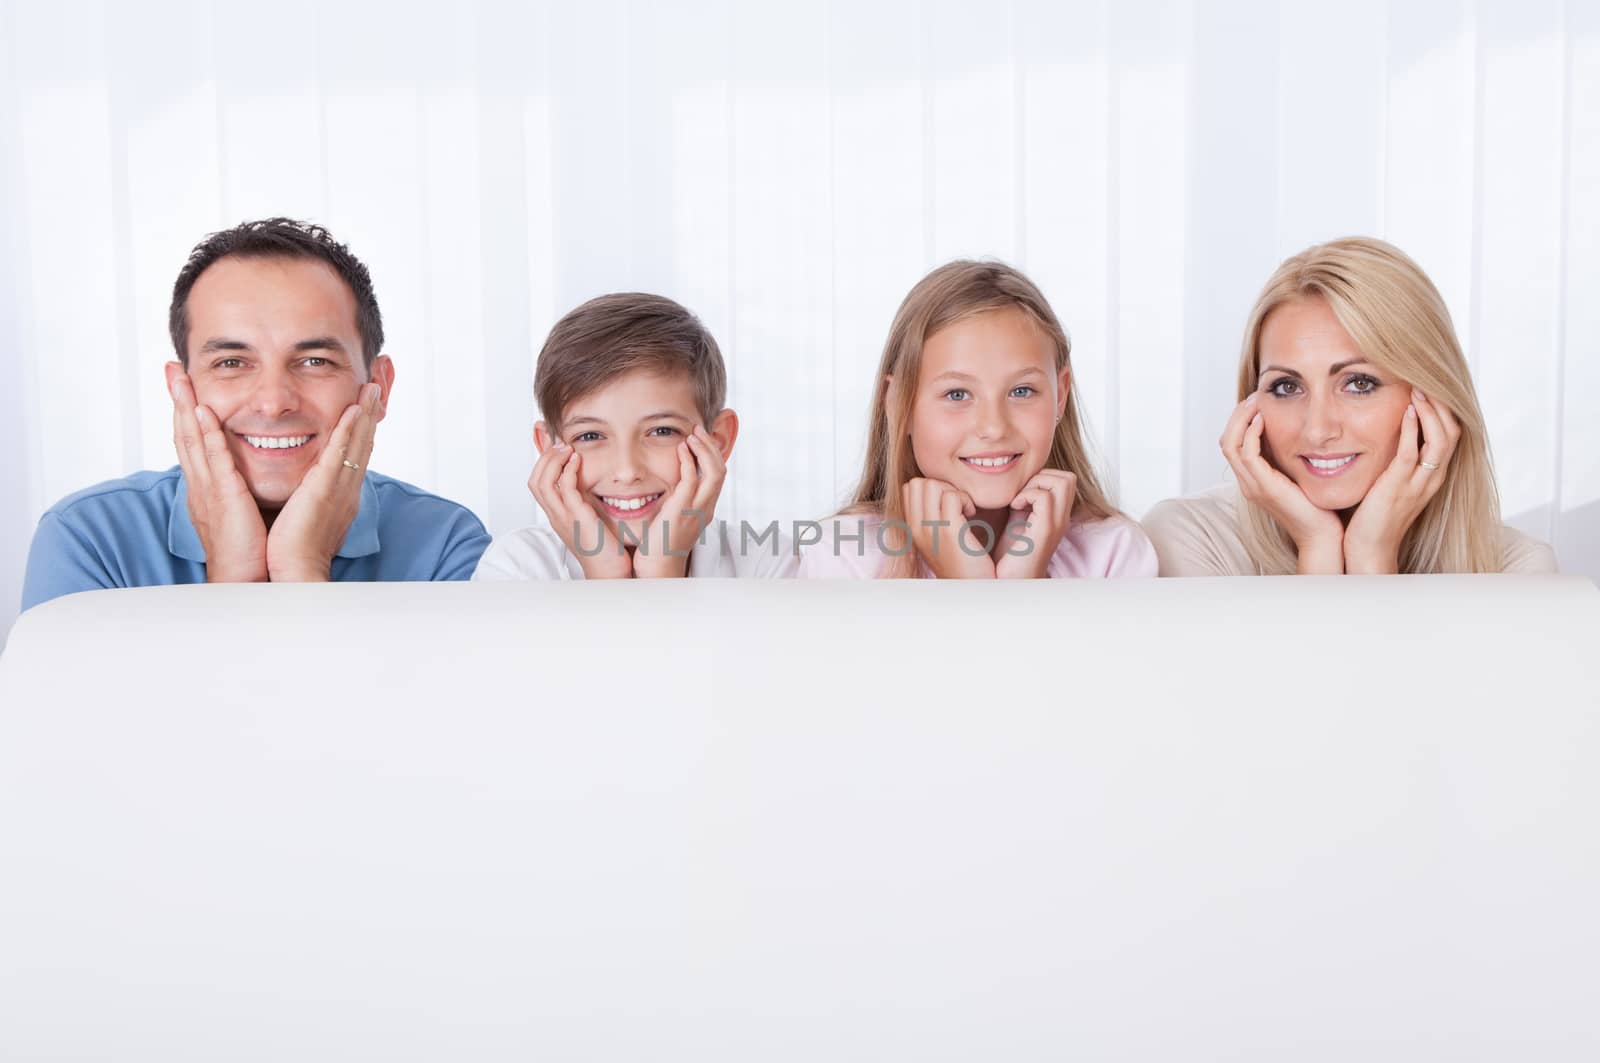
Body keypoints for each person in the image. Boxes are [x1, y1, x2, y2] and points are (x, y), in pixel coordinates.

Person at [21, 218, 489, 610]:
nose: (272, 401)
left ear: (378, 388)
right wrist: (233, 580)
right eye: (231, 363)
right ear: (179, 388)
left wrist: (302, 572)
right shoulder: (89, 539)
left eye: (315, 361)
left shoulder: (445, 545)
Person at [1143, 236, 1557, 576]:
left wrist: (1371, 556)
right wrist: (1317, 545)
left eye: (1359, 383)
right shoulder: (1190, 539)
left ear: (1433, 398)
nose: (1317, 429)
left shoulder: (1515, 570)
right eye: (1287, 387)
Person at [797, 259, 1156, 579]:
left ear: (1060, 394)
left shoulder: (1115, 554)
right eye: (957, 395)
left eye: (1021, 391)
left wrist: (1023, 583)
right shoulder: (842, 556)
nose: (993, 427)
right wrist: (966, 586)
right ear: (898, 405)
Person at [472, 292, 794, 580]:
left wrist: (662, 575)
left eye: (662, 431)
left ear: (717, 440)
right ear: (548, 448)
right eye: (590, 435)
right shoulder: (517, 567)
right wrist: (605, 580)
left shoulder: (767, 564)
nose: (627, 471)